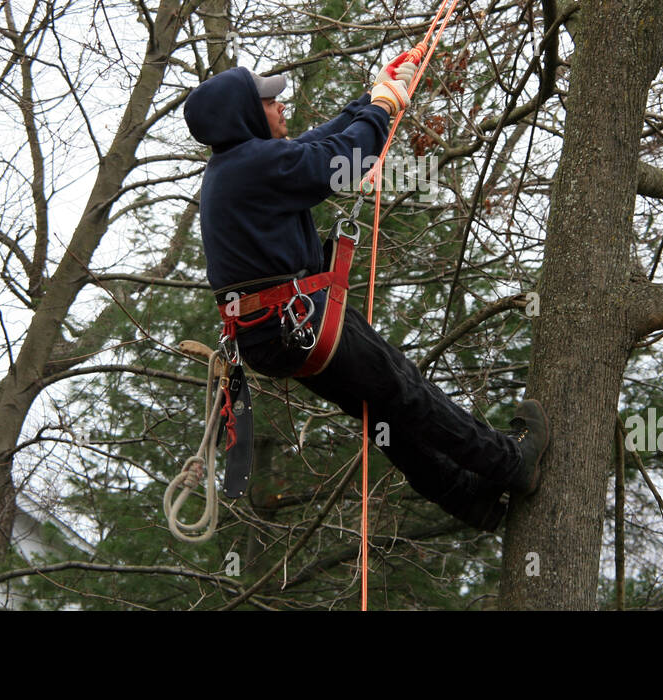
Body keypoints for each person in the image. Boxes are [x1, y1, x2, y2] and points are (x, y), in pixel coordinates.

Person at [183, 54, 548, 530]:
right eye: (272, 102)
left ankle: (468, 497)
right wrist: (378, 110)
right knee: (403, 388)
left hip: (274, 334)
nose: (281, 107)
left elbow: (317, 144)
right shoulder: (254, 165)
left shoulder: (236, 167)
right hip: (300, 322)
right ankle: (508, 462)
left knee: (384, 409)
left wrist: (372, 99)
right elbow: (342, 159)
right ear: (247, 114)